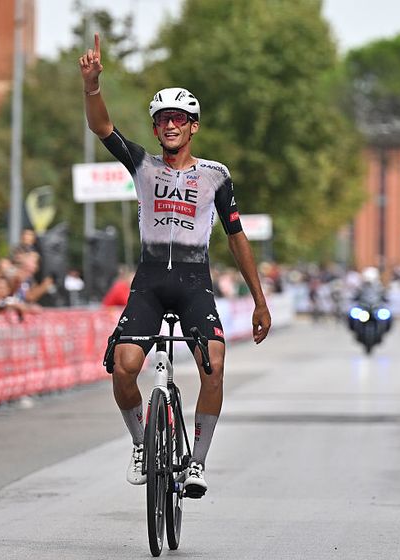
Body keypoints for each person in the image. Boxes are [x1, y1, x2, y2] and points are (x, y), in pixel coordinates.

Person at [79, 33, 271, 498]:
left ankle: (197, 464)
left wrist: (259, 300)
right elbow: (103, 128)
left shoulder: (215, 175)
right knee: (124, 367)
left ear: (193, 127)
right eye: (163, 119)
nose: (170, 125)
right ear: (155, 127)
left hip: (193, 281)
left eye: (179, 119)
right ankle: (142, 444)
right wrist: (91, 86)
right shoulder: (142, 165)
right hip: (148, 282)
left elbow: (237, 237)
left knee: (215, 364)